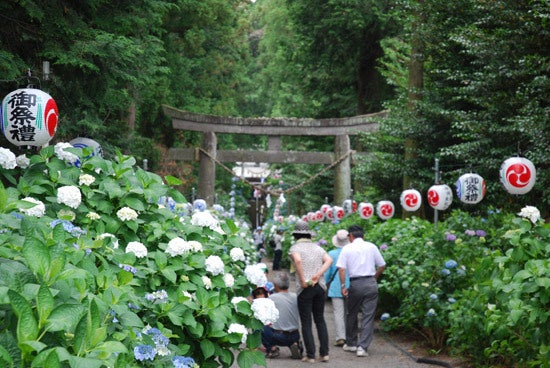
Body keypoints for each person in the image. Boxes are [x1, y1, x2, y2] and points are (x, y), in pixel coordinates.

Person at [336, 224, 386, 357]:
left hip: (355, 284)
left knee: (351, 314)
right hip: (370, 283)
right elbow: (382, 265)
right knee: (368, 316)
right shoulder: (372, 246)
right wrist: (374, 277)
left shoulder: (347, 248)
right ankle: (362, 347)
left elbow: (341, 269)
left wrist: (342, 286)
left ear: (351, 236)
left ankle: (351, 344)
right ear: (363, 235)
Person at [289, 220, 332, 363]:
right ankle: (324, 354)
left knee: (306, 322)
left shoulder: (295, 247)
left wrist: (303, 280)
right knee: (320, 319)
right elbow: (329, 260)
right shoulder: (318, 248)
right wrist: (318, 275)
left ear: (296, 234)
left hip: (305, 288)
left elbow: (298, 261)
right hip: (319, 287)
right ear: (309, 234)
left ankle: (310, 355)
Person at [261, 271, 303, 359]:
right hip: (295, 334)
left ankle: (272, 348)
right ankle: (295, 344)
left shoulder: (272, 298)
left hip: (278, 336)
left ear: (276, 285)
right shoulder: (296, 297)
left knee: (261, 325)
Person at [324, 229, 350, 347]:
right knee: (350, 312)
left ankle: (341, 337)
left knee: (338, 313)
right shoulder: (352, 252)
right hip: (352, 286)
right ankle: (350, 336)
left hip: (336, 286)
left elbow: (327, 274)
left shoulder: (331, 254)